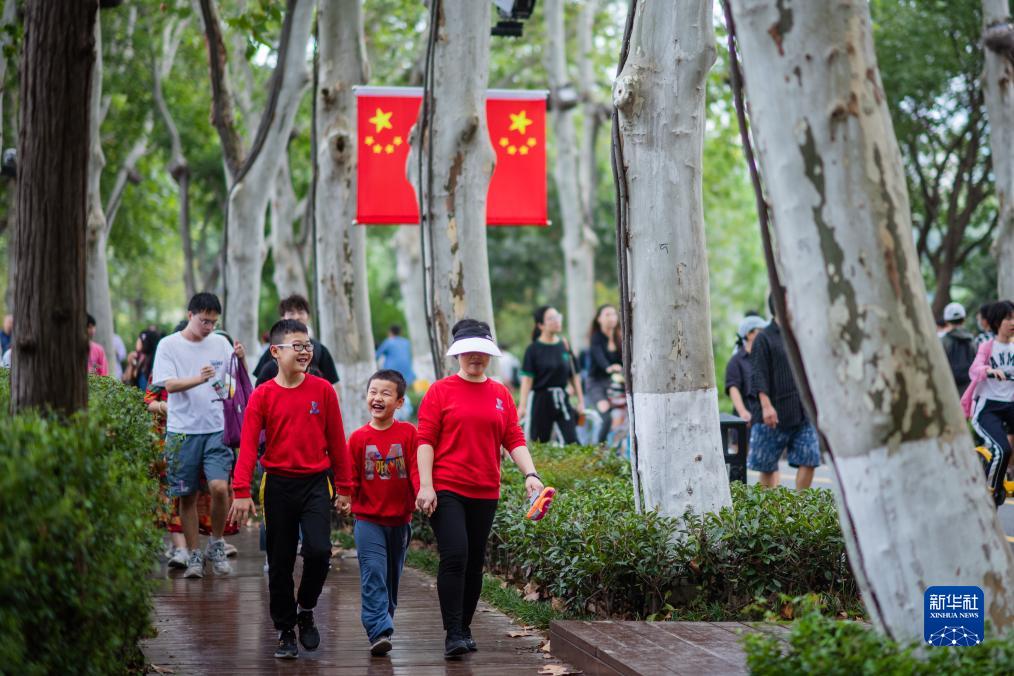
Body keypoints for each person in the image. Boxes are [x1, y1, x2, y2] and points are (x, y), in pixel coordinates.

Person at [415, 319, 546, 657]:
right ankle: (453, 633)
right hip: (447, 487)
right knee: (455, 554)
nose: (476, 356)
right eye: (469, 351)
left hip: (485, 490)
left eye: (482, 351)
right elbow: (425, 439)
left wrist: (531, 474)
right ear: (457, 353)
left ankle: (464, 627)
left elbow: (513, 437)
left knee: (474, 562)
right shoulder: (440, 391)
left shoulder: (500, 393)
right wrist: (426, 485)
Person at [229, 319, 352, 660]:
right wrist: (241, 491)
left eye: (308, 345)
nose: (305, 352)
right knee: (280, 561)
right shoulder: (263, 395)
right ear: (275, 351)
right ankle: (285, 630)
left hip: (316, 483)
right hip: (278, 485)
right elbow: (248, 447)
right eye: (297, 346)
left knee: (319, 551)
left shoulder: (323, 391)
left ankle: (306, 609)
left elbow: (337, 442)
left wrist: (345, 488)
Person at [151, 293, 245, 579]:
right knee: (187, 495)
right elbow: (168, 385)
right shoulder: (168, 345)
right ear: (190, 315)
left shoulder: (220, 343)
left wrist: (241, 360)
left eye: (213, 322)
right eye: (204, 321)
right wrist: (199, 379)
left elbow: (233, 384)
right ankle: (193, 554)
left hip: (217, 428)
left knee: (219, 487)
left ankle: (216, 543)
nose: (209, 327)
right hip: (182, 431)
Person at [347, 369, 418, 656]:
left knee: (391, 579)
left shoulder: (409, 433)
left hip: (400, 521)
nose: (377, 398)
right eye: (373, 392)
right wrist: (344, 496)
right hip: (368, 521)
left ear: (399, 402)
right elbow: (350, 477)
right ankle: (378, 630)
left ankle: (384, 622)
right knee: (373, 572)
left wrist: (423, 493)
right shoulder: (358, 438)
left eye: (386, 394)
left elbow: (416, 470)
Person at [747, 296, 819, 489]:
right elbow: (758, 374)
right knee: (767, 466)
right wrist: (766, 406)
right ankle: (770, 507)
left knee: (810, 458)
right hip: (771, 413)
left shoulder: (800, 335)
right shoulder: (764, 337)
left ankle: (799, 504)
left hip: (801, 411)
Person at [961, 300, 1014, 508]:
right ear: (996, 322)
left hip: (1010, 406)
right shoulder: (987, 346)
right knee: (1002, 449)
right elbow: (974, 369)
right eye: (1008, 318)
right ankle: (989, 494)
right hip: (988, 408)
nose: (1012, 322)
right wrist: (989, 370)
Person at [517, 306, 585, 444]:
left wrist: (581, 401)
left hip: (562, 398)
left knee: (572, 441)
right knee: (539, 442)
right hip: (540, 400)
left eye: (557, 317)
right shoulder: (533, 349)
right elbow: (527, 380)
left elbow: (574, 376)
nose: (556, 321)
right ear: (540, 325)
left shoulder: (564, 345)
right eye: (551, 318)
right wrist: (522, 406)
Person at [253, 294, 340, 387]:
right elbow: (259, 384)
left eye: (301, 312)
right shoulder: (275, 349)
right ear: (283, 318)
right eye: (291, 313)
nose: (297, 317)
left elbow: (333, 385)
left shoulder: (320, 350)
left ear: (308, 316)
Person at [585, 305, 622, 444]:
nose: (611, 317)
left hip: (615, 383)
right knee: (606, 418)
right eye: (607, 314)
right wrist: (609, 367)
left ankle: (618, 449)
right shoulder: (596, 338)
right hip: (596, 383)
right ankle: (599, 450)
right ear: (599, 319)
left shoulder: (620, 337)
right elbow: (599, 357)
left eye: (613, 314)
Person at [725, 315, 767, 423]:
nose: (765, 334)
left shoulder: (764, 357)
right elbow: (733, 388)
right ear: (749, 334)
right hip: (748, 420)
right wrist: (743, 412)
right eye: (761, 330)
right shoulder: (736, 361)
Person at [939, 302, 976, 394]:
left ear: (946, 320)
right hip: (969, 387)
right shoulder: (971, 340)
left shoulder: (943, 340)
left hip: (949, 387)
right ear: (964, 319)